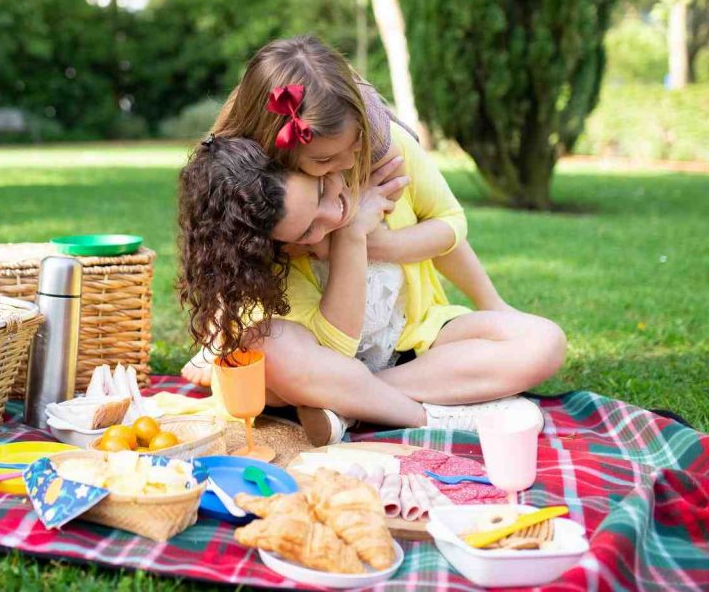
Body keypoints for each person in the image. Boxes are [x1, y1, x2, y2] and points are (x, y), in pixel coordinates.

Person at [176, 36, 565, 444]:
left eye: (353, 148)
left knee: (543, 341)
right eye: (323, 167)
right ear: (278, 155)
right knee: (268, 353)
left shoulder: (384, 153)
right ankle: (426, 412)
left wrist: (373, 242)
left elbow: (450, 225)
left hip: (410, 340)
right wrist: (350, 236)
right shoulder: (267, 206)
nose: (344, 166)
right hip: (323, 356)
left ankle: (349, 405)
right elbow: (330, 349)